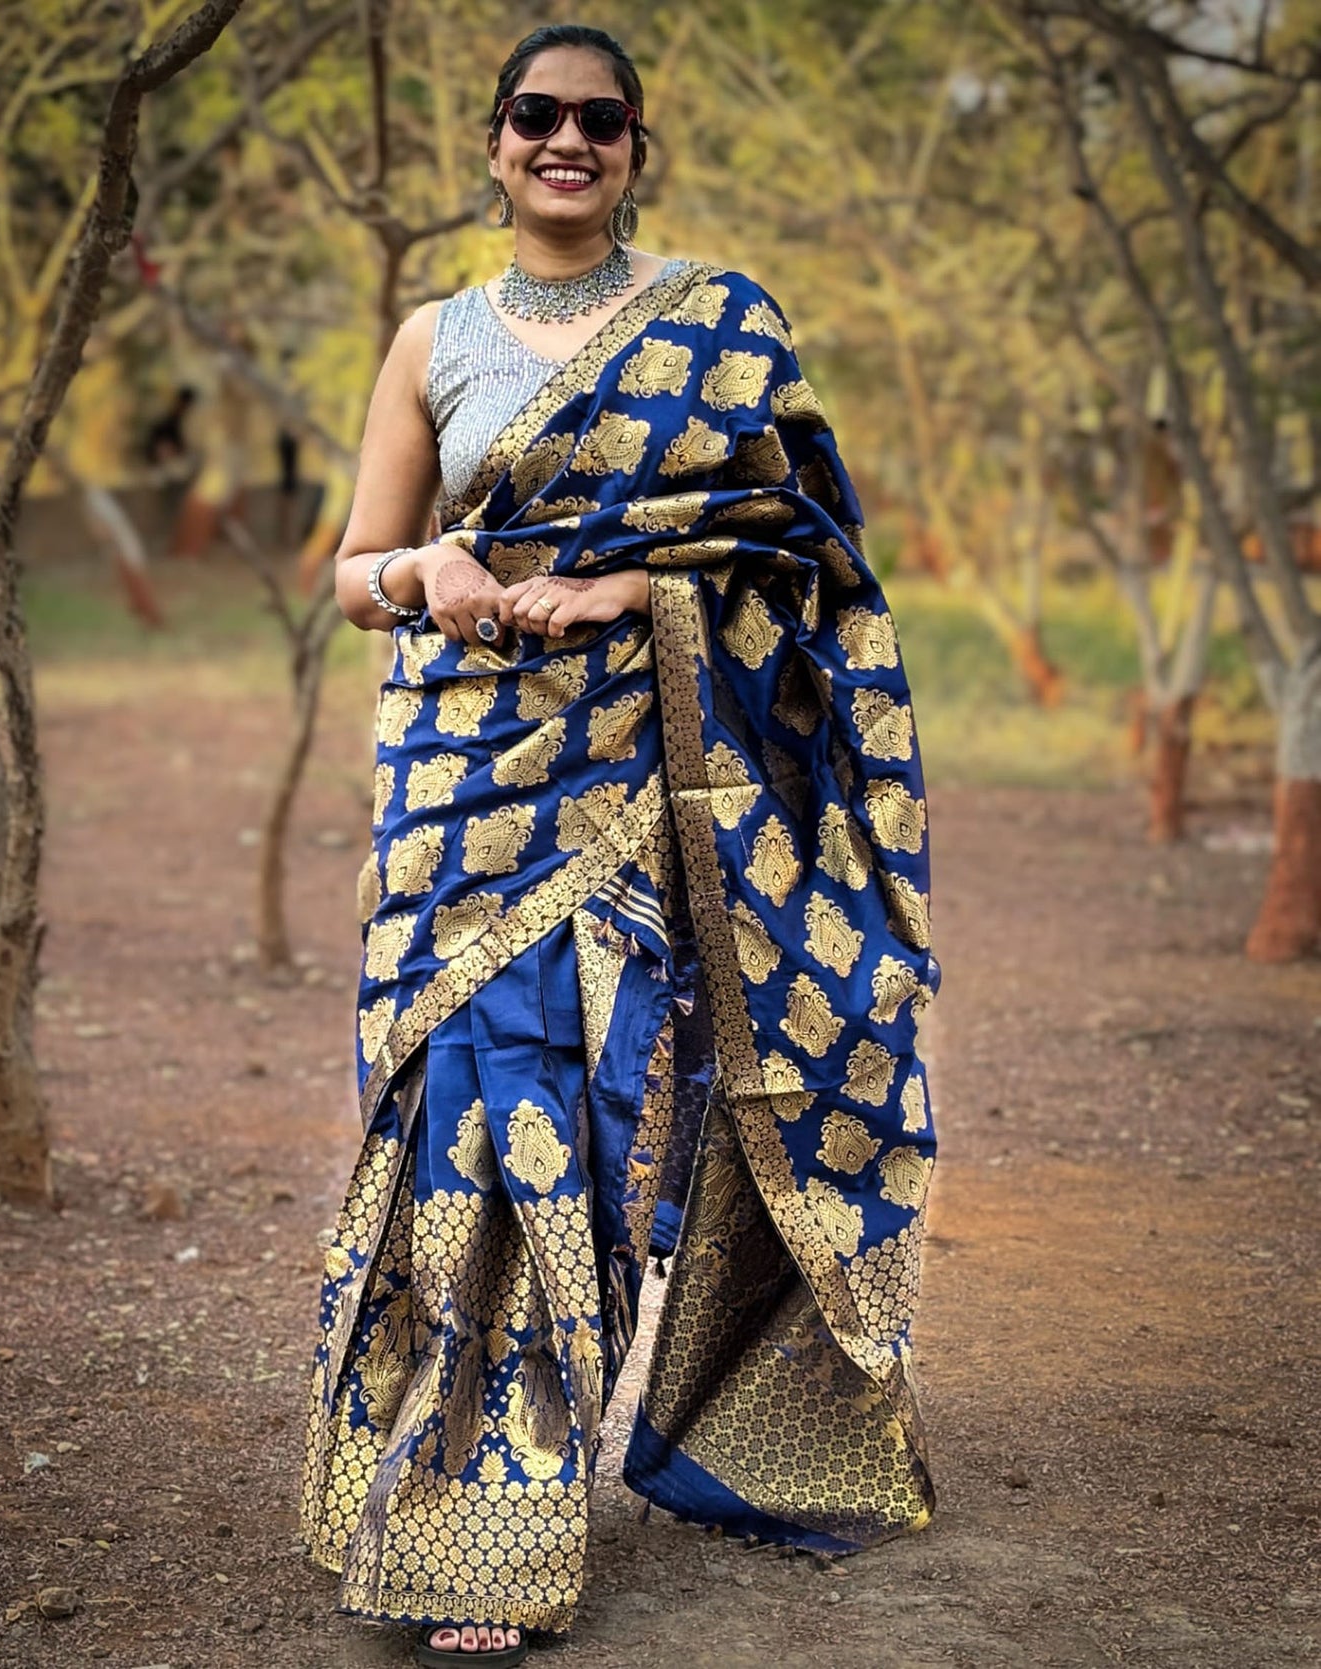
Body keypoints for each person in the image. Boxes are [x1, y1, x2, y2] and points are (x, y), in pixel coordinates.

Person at [301, 24, 940, 1668]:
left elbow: (807, 563)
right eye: (537, 116)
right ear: (493, 142)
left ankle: (521, 1497)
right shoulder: (431, 335)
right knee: (467, 1118)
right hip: (460, 794)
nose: (564, 140)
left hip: (640, 791)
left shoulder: (720, 328)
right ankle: (457, 1512)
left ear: (633, 149)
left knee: (576, 1125)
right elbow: (349, 562)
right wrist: (424, 575)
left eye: (598, 121)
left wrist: (636, 590)